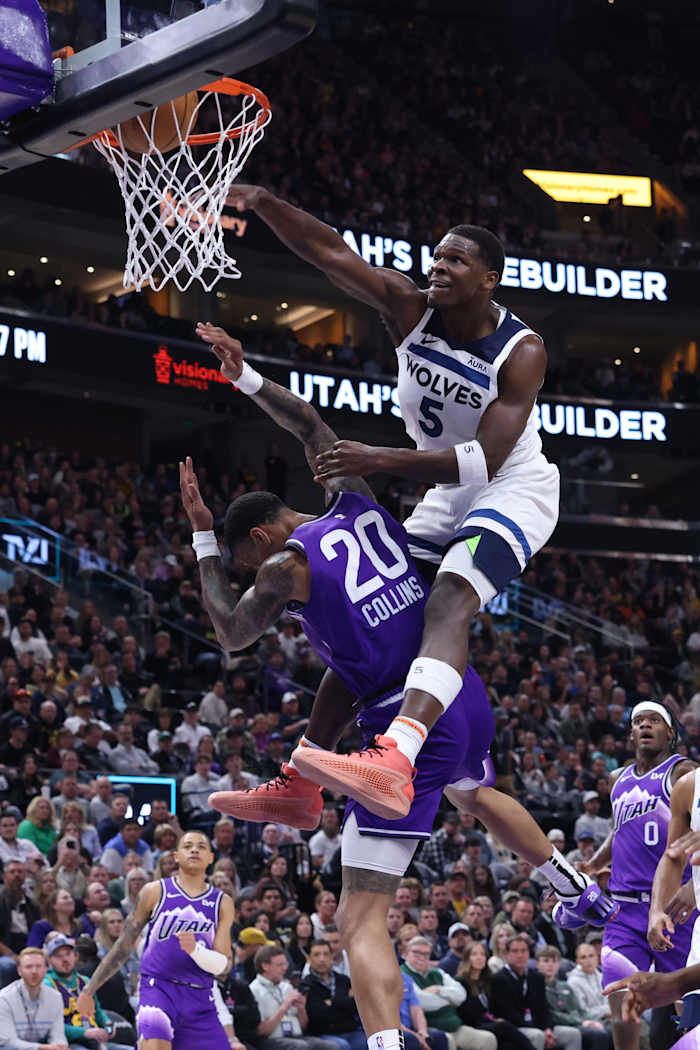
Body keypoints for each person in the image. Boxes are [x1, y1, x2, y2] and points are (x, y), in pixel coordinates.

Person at [183, 333, 616, 1050]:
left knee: (358, 918)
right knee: (474, 793)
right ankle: (566, 879)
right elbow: (310, 425)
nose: (249, 572)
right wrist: (248, 377)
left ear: (260, 538)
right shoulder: (353, 497)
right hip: (456, 690)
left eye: (243, 560)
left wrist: (203, 540)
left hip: (403, 724)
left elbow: (230, 633)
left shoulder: (282, 570)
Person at [224, 186, 559, 825]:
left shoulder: (522, 350)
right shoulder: (410, 308)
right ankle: (301, 779)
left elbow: (482, 462)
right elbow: (329, 252)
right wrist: (264, 201)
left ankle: (397, 753)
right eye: (438, 257)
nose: (439, 267)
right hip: (446, 492)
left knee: (450, 597)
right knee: (371, 607)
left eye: (456, 260)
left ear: (489, 279)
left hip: (513, 487)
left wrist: (378, 459)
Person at [578, 701, 696, 1050]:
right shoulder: (618, 779)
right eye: (639, 721)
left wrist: (694, 885)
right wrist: (593, 864)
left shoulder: (685, 773)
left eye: (654, 720)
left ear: (670, 732)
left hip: (676, 908)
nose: (645, 725)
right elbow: (619, 830)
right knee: (622, 1009)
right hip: (625, 909)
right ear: (630, 734)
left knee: (686, 1010)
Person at [74, 830, 235, 1050]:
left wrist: (196, 951)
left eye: (201, 847)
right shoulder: (154, 891)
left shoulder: (222, 903)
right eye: (188, 846)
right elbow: (123, 946)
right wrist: (89, 990)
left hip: (200, 996)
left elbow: (224, 966)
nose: (194, 850)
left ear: (210, 858)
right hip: (158, 989)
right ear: (176, 856)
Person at [648, 766, 700, 1033]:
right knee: (692, 1036)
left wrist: (691, 885)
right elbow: (673, 856)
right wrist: (656, 910)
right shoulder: (689, 786)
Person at [400, 935, 496, 1050]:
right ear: (406, 953)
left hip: (455, 1027)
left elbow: (461, 995)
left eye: (426, 953)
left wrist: (438, 989)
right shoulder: (403, 974)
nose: (422, 957)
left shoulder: (438, 972)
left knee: (488, 1039)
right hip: (431, 1028)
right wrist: (450, 1000)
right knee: (447, 1040)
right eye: (417, 952)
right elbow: (422, 1002)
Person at [43, 934, 132, 1050]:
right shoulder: (47, 985)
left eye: (68, 954)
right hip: (69, 1044)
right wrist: (85, 1033)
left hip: (95, 1041)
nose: (64, 959)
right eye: (58, 956)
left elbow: (98, 1012)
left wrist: (108, 1024)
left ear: (76, 956)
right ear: (49, 961)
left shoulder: (85, 981)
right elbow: (52, 1027)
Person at [490, 936, 580, 1050]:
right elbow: (507, 1014)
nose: (520, 955)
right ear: (507, 955)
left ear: (528, 953)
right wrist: (539, 1030)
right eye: (515, 951)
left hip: (538, 1027)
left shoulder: (536, 977)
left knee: (573, 1034)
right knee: (537, 1036)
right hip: (515, 1028)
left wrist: (547, 1029)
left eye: (523, 951)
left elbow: (544, 1008)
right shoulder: (499, 979)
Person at [249, 944, 336, 1050]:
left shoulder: (286, 987)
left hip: (296, 1036)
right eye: (280, 965)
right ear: (265, 966)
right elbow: (261, 1031)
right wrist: (284, 1006)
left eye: (285, 964)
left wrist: (301, 1009)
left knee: (331, 1047)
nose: (285, 968)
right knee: (300, 1047)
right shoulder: (254, 990)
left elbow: (303, 1027)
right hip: (270, 1040)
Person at [456, 942, 537, 1050]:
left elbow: (495, 1007)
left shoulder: (487, 981)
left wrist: (494, 1019)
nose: (479, 958)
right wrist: (492, 1020)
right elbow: (469, 1014)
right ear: (467, 958)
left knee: (508, 1046)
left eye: (482, 954)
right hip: (473, 1025)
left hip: (489, 1023)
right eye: (474, 954)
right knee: (503, 1026)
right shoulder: (461, 981)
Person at [536, 947, 611, 1050]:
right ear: (537, 964)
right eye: (546, 961)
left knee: (608, 1028)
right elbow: (551, 1014)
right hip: (558, 1025)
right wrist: (581, 1022)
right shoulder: (536, 986)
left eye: (554, 961)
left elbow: (579, 1010)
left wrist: (592, 1021)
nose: (550, 965)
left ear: (559, 964)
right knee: (599, 1034)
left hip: (577, 1021)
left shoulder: (564, 986)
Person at [0, 945, 67, 1050]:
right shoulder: (4, 998)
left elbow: (58, 1035)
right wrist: (42, 1048)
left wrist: (59, 1046)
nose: (34, 971)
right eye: (28, 967)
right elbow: (8, 1042)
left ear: (45, 970)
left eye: (39, 966)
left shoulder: (56, 997)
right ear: (19, 971)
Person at [302, 940, 364, 1050]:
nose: (322, 959)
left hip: (351, 1031)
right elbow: (316, 1014)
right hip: (322, 1035)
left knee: (372, 1042)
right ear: (309, 959)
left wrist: (332, 1002)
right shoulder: (306, 985)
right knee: (342, 1046)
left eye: (326, 954)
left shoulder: (344, 980)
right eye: (316, 955)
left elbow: (356, 1006)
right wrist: (344, 1001)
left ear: (331, 957)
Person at [0, 861, 41, 988]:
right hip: (5, 951)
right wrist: (11, 955)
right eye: (12, 872)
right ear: (4, 877)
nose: (16, 875)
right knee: (8, 966)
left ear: (25, 876)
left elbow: (38, 930)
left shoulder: (32, 904)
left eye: (20, 871)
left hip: (28, 948)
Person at [565, 944, 612, 1032]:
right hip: (591, 1022)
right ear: (578, 961)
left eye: (591, 956)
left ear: (597, 958)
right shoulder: (573, 982)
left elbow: (611, 1002)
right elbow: (582, 1012)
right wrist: (605, 1013)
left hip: (610, 1018)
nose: (588, 960)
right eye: (583, 957)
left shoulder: (603, 977)